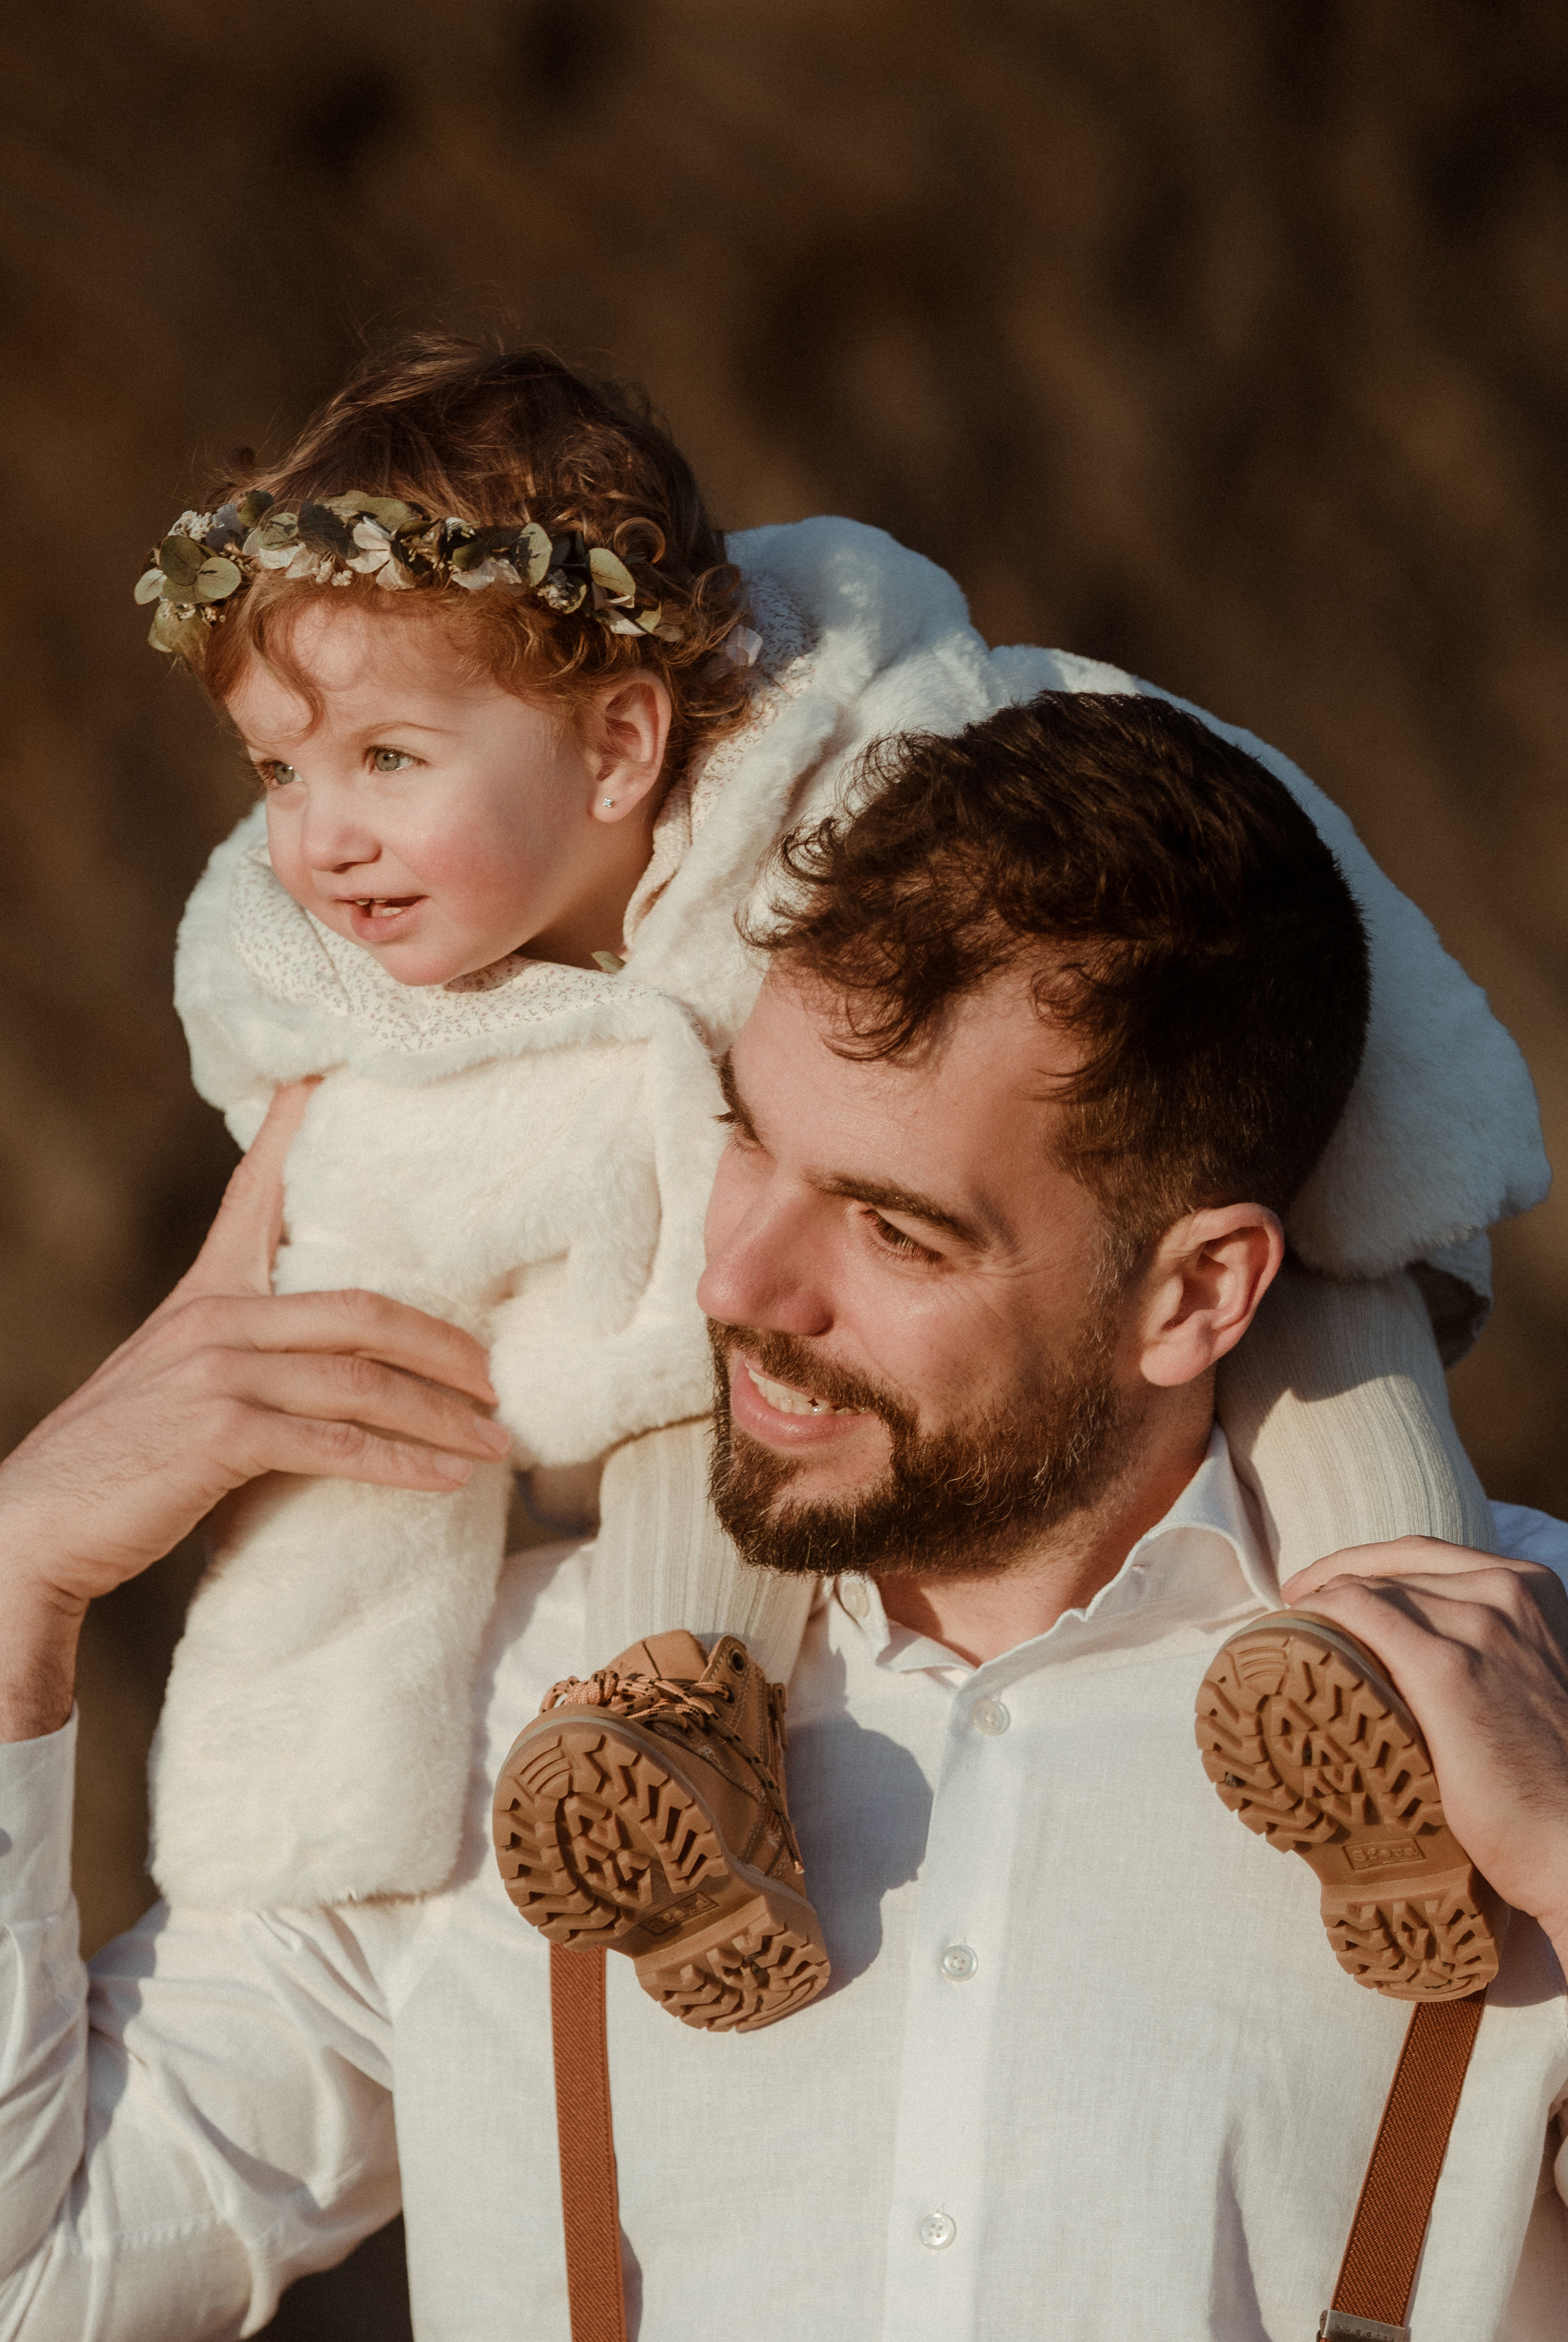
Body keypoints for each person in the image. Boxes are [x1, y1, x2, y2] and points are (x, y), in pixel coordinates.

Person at [1, 692, 1565, 2342]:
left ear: (1196, 1292)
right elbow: (35, 2278)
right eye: (751, 1142)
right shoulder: (485, 1699)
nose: (739, 1285)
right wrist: (19, 1575)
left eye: (897, 1231)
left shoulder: (1525, 1688)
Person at [142, 339, 1542, 2008]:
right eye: (277, 774)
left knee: (1314, 1281)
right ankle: (676, 1736)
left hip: (1200, 1221)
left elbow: (1235, 926)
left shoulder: (882, 798)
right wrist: (271, 1775)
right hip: (710, 1448)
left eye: (386, 760)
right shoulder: (360, 1031)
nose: (321, 839)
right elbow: (359, 1396)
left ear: (616, 748)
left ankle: (1403, 1656)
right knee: (712, 1362)